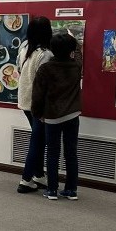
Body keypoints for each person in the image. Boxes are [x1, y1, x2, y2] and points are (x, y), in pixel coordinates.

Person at [31, 33, 82, 201]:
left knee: (53, 153)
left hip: (52, 116)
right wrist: (75, 43)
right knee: (71, 153)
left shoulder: (45, 69)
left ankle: (52, 189)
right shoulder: (76, 66)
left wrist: (37, 114)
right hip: (73, 114)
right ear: (71, 50)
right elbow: (78, 54)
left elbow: (37, 95)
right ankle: (71, 190)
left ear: (52, 49)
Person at [15, 16, 53, 193]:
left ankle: (38, 175)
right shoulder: (46, 55)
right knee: (37, 141)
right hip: (38, 104)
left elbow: (18, 69)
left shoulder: (24, 48)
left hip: (25, 101)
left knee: (39, 139)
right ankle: (25, 179)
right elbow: (44, 83)